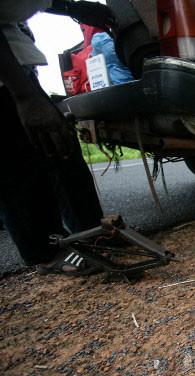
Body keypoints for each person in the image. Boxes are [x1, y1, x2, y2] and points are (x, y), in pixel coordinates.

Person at [0, 0, 116, 275]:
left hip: (15, 59)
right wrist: (25, 96)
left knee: (58, 145)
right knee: (17, 162)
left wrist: (72, 8)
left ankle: (89, 231)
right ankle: (46, 251)